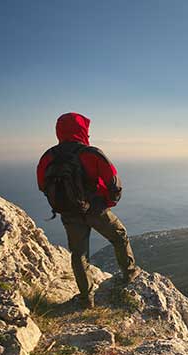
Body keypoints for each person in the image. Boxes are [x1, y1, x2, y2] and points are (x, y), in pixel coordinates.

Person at [37, 112, 139, 308]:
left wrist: (66, 201)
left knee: (79, 254)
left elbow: (42, 184)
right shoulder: (90, 153)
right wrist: (106, 202)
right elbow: (113, 183)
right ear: (82, 130)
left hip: (68, 212)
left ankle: (86, 298)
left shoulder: (48, 156)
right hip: (95, 209)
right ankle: (129, 272)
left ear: (59, 131)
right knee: (119, 236)